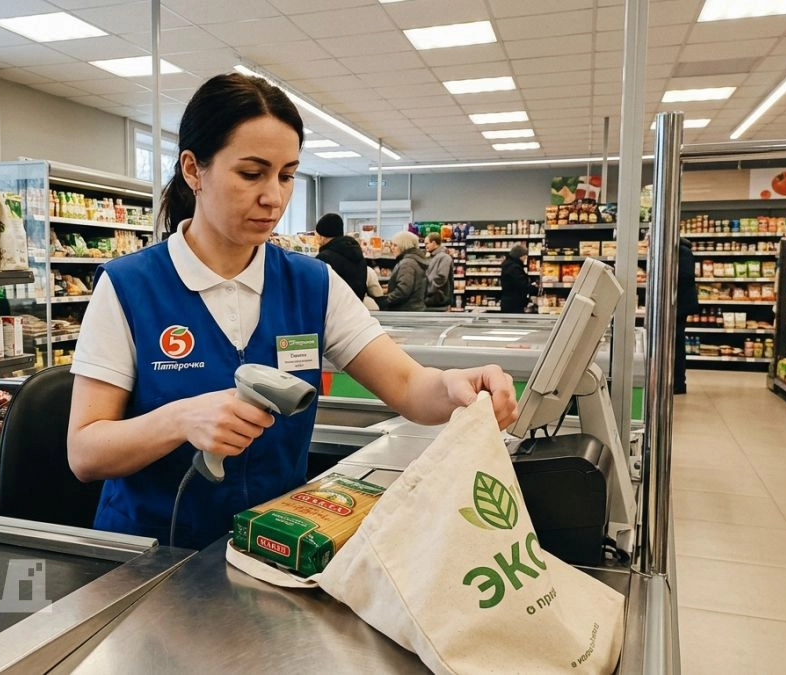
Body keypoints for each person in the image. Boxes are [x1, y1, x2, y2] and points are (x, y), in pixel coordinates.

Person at [66, 73, 518, 550]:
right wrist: (179, 420)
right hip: (146, 560)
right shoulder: (129, 287)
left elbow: (407, 386)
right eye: (251, 173)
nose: (274, 197)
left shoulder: (313, 284)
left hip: (275, 552)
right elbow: (85, 451)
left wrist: (452, 385)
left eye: (286, 176)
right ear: (194, 170)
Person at [313, 212, 367, 300]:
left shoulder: (324, 258)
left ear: (322, 236)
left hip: (334, 310)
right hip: (356, 307)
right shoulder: (357, 254)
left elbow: (319, 289)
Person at [376, 231, 429, 312]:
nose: (392, 248)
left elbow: (403, 291)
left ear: (404, 246)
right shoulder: (414, 261)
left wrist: (383, 302)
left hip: (405, 310)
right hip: (414, 309)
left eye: (395, 245)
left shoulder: (407, 263)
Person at [675, 237, 699, 394]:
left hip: (680, 305)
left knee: (677, 343)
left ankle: (678, 383)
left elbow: (686, 276)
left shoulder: (683, 252)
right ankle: (676, 380)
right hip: (678, 304)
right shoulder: (681, 251)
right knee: (676, 343)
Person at [500, 244, 538, 313]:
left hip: (508, 303)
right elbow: (522, 286)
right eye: (524, 256)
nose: (525, 258)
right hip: (514, 305)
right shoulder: (514, 268)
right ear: (520, 256)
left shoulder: (509, 265)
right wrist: (534, 288)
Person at [424, 232, 453, 312]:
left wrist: (428, 289)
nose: (425, 246)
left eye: (427, 243)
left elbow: (441, 277)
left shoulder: (444, 257)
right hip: (431, 299)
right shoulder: (432, 257)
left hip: (439, 299)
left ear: (433, 243)